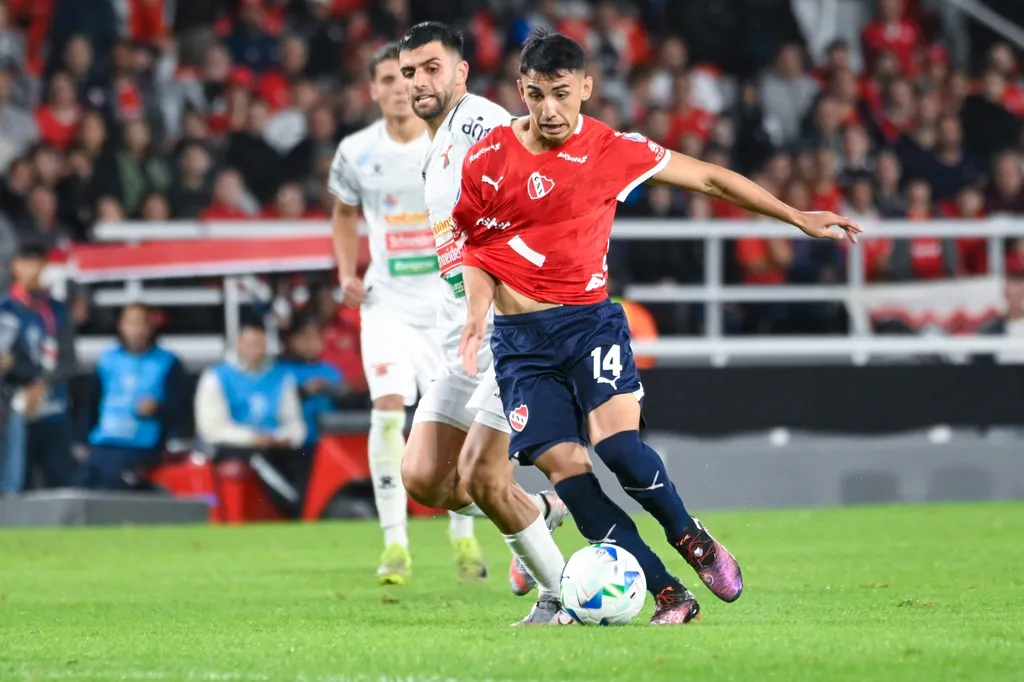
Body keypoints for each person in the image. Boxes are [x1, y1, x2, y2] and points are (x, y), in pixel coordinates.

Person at [455, 32, 862, 624]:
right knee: (568, 473)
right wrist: (474, 311)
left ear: (587, 89)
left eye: (562, 95)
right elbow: (476, 247)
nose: (549, 110)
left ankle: (688, 535)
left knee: (619, 448)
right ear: (520, 89)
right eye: (537, 94)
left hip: (588, 325)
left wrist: (795, 216)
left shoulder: (612, 149)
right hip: (520, 346)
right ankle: (668, 592)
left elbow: (711, 180)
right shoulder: (488, 158)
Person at [397, 23, 571, 624]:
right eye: (411, 72)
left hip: (508, 329)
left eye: (432, 67)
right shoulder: (436, 142)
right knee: (424, 477)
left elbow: (530, 200)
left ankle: (567, 596)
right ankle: (539, 512)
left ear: (461, 72)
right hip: (460, 337)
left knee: (482, 474)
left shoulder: (480, 125)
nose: (421, 81)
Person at [329, 42, 487, 583]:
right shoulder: (355, 151)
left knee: (457, 421)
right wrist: (348, 273)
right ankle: (395, 544)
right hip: (387, 306)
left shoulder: (448, 140)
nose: (400, 87)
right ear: (373, 90)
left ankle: (463, 536)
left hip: (447, 302)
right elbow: (344, 213)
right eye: (388, 80)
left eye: (407, 77)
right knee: (388, 408)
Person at [194, 319, 308, 517]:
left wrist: (285, 437)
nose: (256, 350)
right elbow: (211, 429)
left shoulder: (281, 377)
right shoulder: (215, 377)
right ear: (238, 344)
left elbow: (294, 423)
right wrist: (252, 438)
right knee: (260, 462)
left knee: (305, 457)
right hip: (234, 447)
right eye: (250, 344)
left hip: (276, 445)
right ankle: (298, 508)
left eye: (260, 344)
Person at [78, 303, 188, 490]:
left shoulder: (167, 363)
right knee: (83, 484)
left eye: (140, 323)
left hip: (141, 446)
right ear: (120, 326)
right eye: (130, 323)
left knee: (112, 481)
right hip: (104, 442)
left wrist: (157, 409)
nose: (135, 330)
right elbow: (91, 403)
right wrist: (83, 439)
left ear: (151, 326)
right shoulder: (107, 360)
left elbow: (182, 408)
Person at [0, 243, 76, 494]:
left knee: (59, 482)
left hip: (52, 406)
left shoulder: (56, 310)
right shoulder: (5, 309)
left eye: (37, 263)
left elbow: (67, 360)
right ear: (15, 265)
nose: (32, 269)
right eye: (26, 262)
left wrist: (41, 386)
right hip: (13, 408)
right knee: (16, 482)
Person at [276, 312, 346, 453]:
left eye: (316, 337)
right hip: (292, 443)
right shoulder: (280, 370)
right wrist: (304, 391)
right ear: (292, 340)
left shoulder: (331, 371)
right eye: (304, 337)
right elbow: (273, 404)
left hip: (328, 442)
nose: (310, 343)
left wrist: (330, 389)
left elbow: (345, 402)